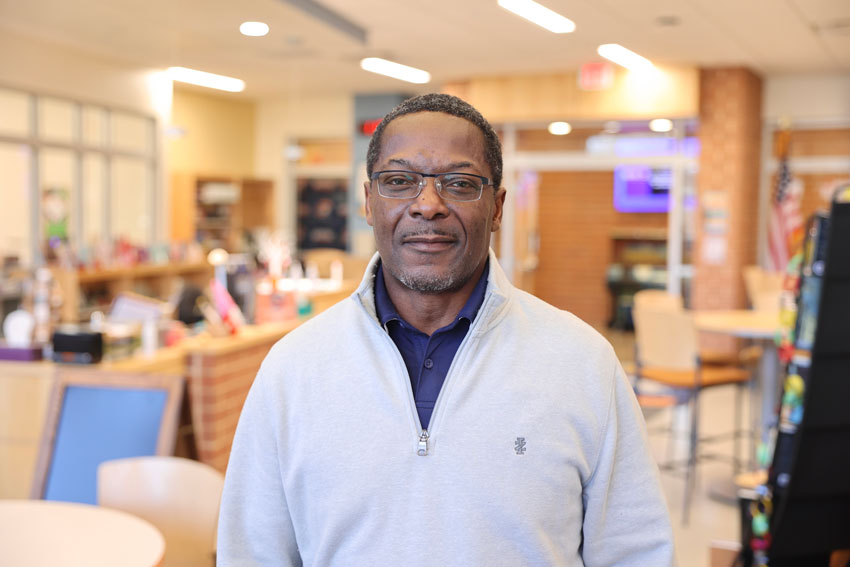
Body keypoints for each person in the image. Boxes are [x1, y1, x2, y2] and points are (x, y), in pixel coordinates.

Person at [218, 93, 674, 566]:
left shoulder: (582, 364)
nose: (428, 205)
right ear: (369, 203)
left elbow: (635, 551)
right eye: (399, 181)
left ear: (497, 208)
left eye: (459, 183)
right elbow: (251, 552)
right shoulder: (293, 369)